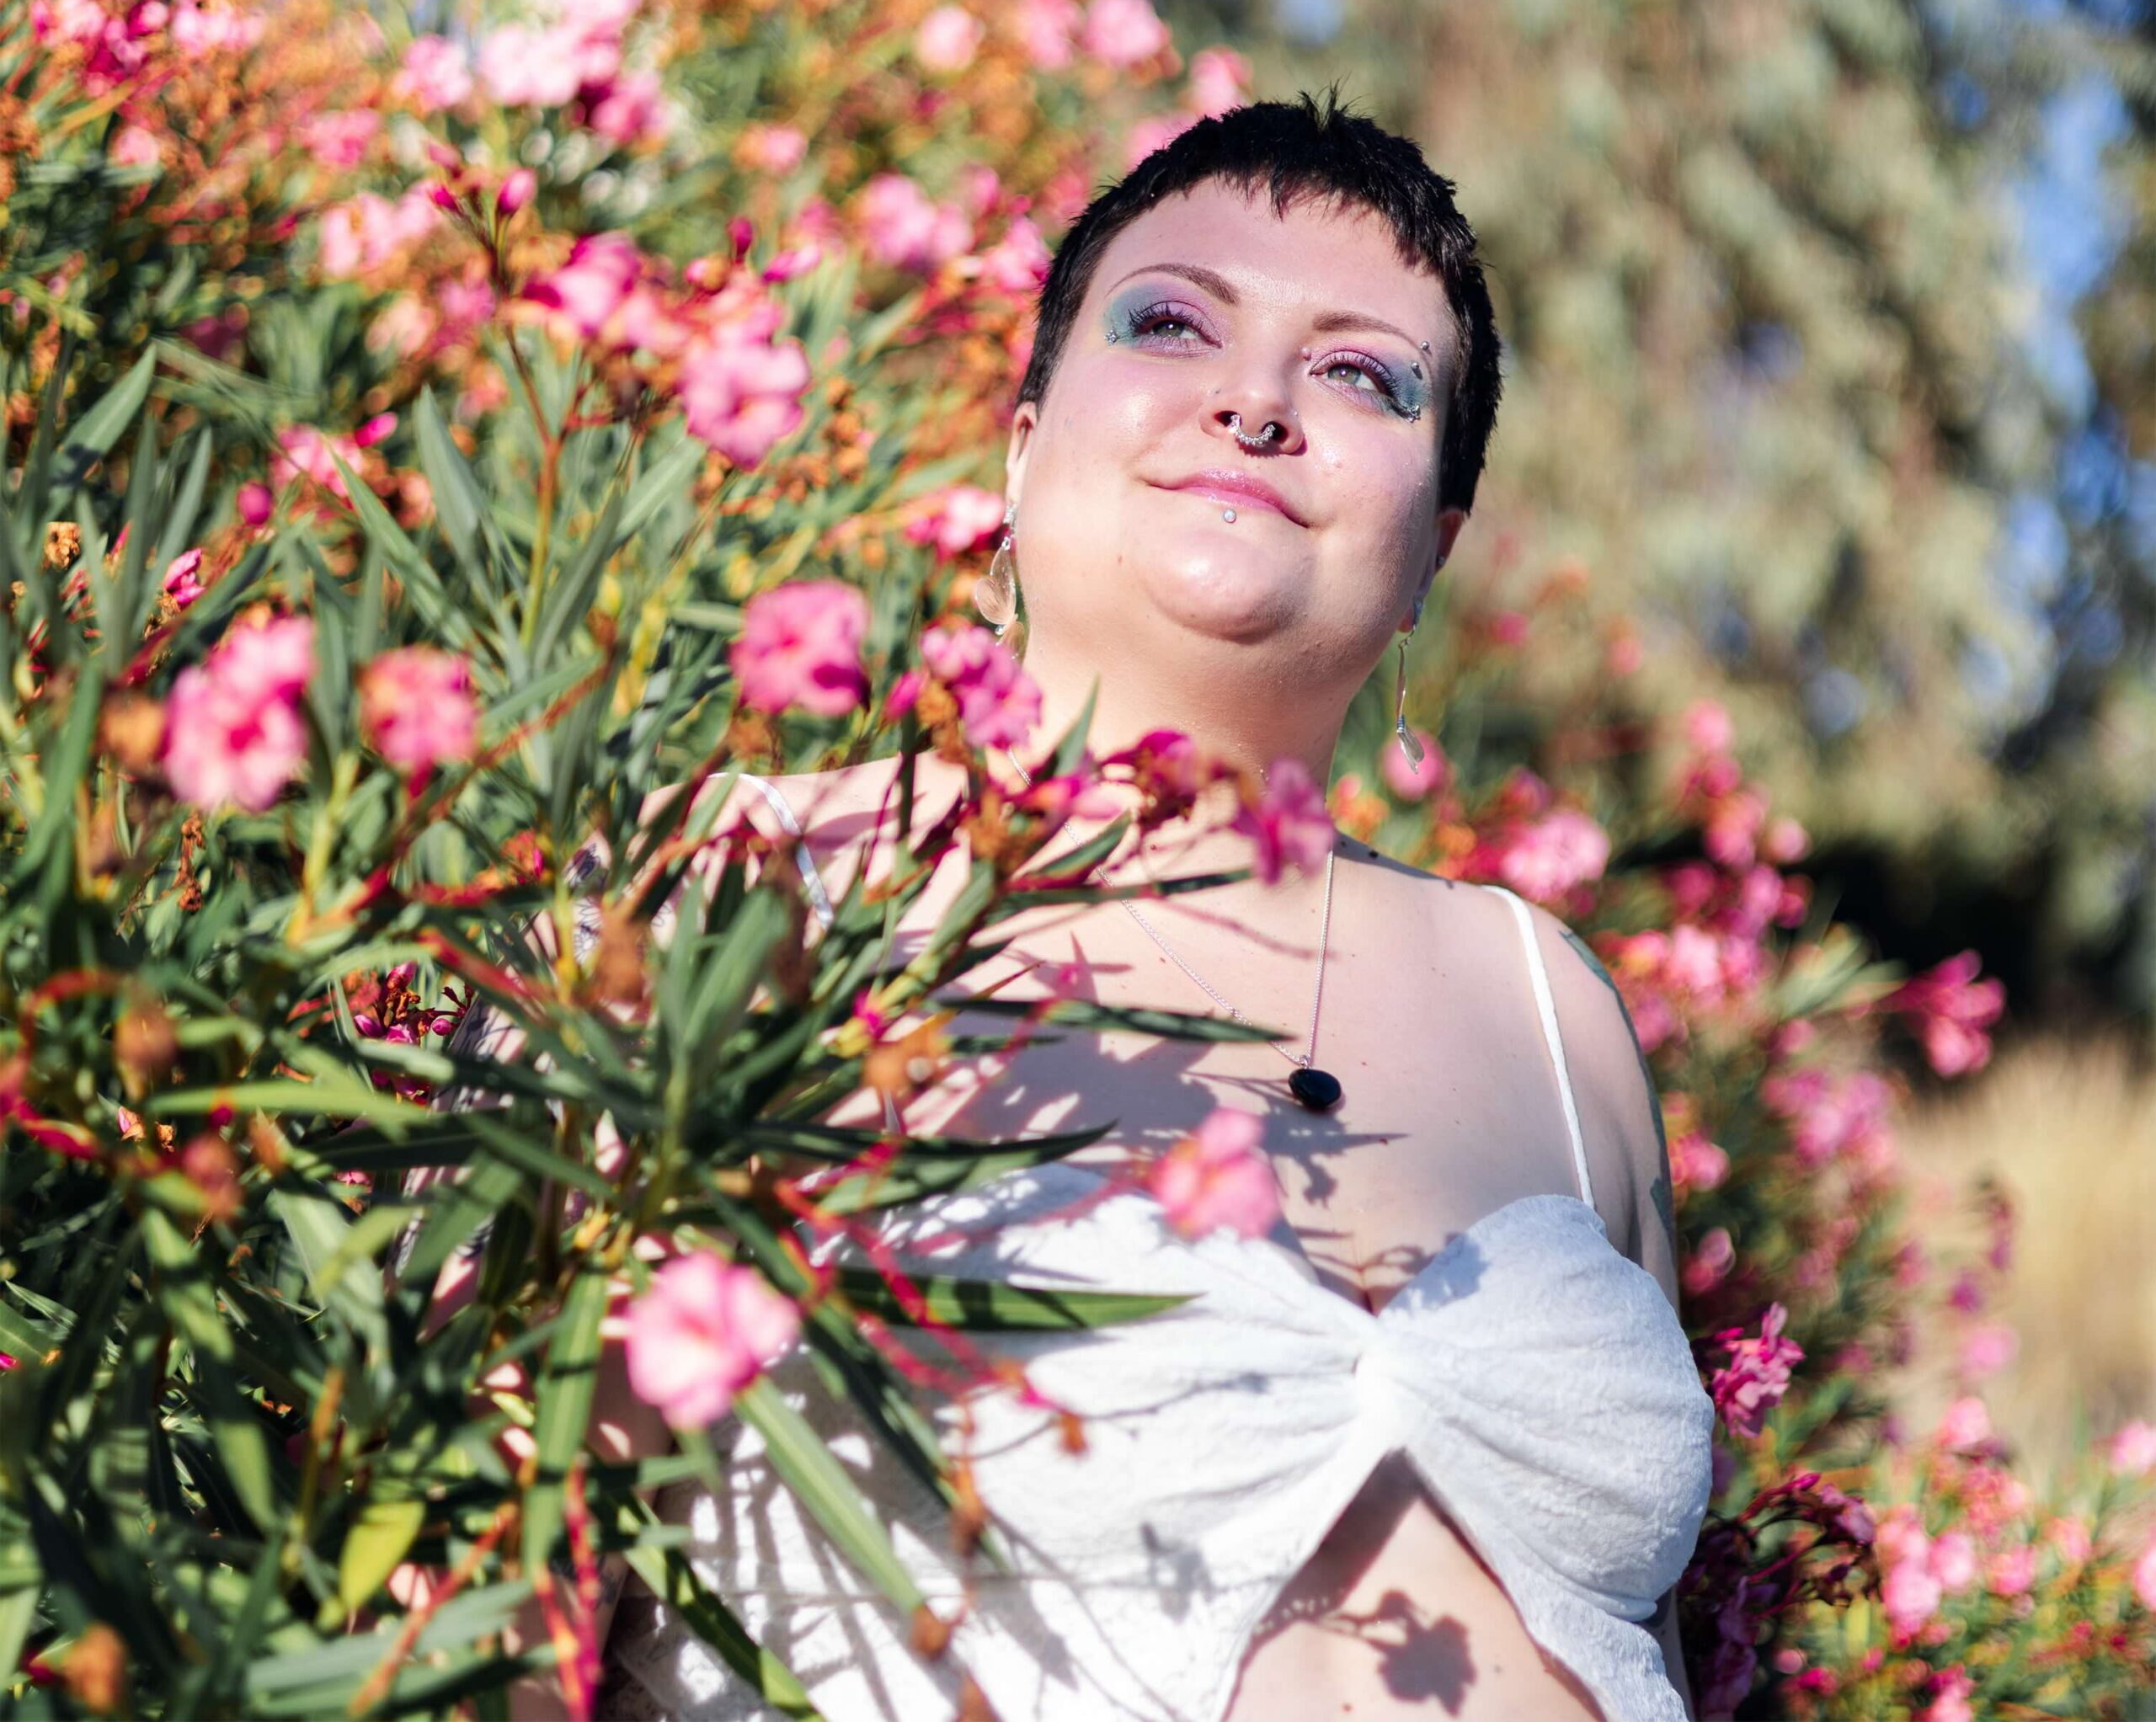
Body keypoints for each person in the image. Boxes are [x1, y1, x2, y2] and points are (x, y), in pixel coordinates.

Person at [579, 98, 1714, 1720]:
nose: (1256, 401)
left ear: (1432, 553)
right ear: (1021, 444)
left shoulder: (1552, 1013)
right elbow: (485, 1591)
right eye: (1171, 322)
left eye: (1361, 374)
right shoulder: (742, 892)